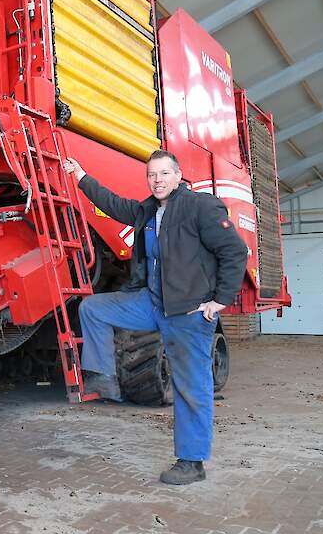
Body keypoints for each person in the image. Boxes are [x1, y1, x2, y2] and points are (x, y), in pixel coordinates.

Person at [63, 151, 248, 485]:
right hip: (152, 303)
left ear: (178, 176)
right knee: (93, 308)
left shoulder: (200, 206)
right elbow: (114, 203)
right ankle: (104, 376)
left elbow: (234, 252)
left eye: (164, 174)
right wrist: (80, 175)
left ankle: (192, 462)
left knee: (191, 386)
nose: (157, 180)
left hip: (188, 312)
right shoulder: (148, 210)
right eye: (152, 175)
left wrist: (219, 300)